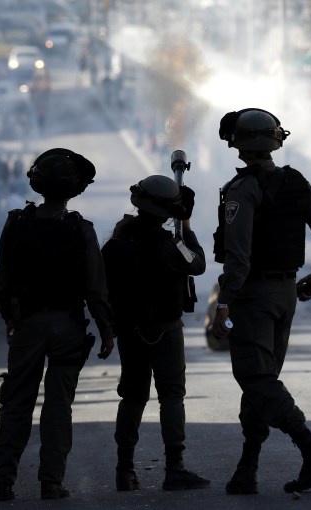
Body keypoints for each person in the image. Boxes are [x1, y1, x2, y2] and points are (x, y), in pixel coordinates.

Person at [211, 108, 311, 495]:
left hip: (252, 295)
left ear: (240, 143)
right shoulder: (296, 182)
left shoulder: (243, 190)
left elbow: (238, 257)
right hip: (287, 294)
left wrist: (224, 304)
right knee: (261, 382)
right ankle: (246, 469)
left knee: (255, 378)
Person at [0, 148, 115, 502]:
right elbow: (95, 288)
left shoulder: (15, 223)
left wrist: (11, 321)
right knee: (58, 406)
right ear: (74, 190)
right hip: (67, 327)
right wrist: (107, 331)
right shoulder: (81, 230)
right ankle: (51, 483)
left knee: (16, 403)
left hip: (27, 326)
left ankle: (2, 482)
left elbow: (3, 281)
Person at [101, 175, 210, 492]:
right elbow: (198, 263)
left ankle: (124, 470)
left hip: (130, 331)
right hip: (166, 330)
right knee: (172, 395)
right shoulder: (172, 246)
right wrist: (186, 227)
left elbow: (103, 290)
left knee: (132, 397)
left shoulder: (115, 244)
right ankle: (175, 468)